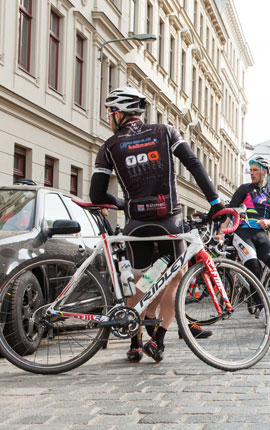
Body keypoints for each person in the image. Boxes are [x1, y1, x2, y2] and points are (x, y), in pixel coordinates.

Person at [90, 87, 225, 362]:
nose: (108, 117)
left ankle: (135, 343)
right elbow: (194, 163)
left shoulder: (110, 146)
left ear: (118, 113)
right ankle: (158, 340)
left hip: (136, 222)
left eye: (109, 112)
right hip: (169, 219)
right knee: (174, 276)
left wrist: (122, 203)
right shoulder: (166, 131)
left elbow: (96, 195)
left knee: (141, 281)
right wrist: (214, 202)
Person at [224, 156, 270, 327]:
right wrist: (222, 232)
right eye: (251, 170)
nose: (252, 173)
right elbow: (230, 211)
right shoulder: (244, 189)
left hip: (261, 235)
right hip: (242, 233)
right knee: (254, 270)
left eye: (255, 170)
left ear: (265, 172)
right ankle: (264, 312)